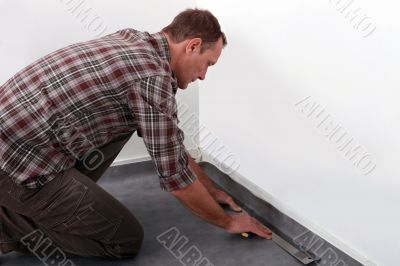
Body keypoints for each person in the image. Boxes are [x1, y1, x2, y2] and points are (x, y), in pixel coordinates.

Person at [0, 8, 272, 259]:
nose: (203, 76)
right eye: (208, 64)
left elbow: (170, 145)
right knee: (124, 239)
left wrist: (211, 190)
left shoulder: (133, 40)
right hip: (15, 165)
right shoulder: (152, 78)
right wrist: (229, 222)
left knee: (125, 124)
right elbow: (176, 180)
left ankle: (44, 206)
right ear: (193, 46)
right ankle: (6, 229)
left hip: (22, 144)